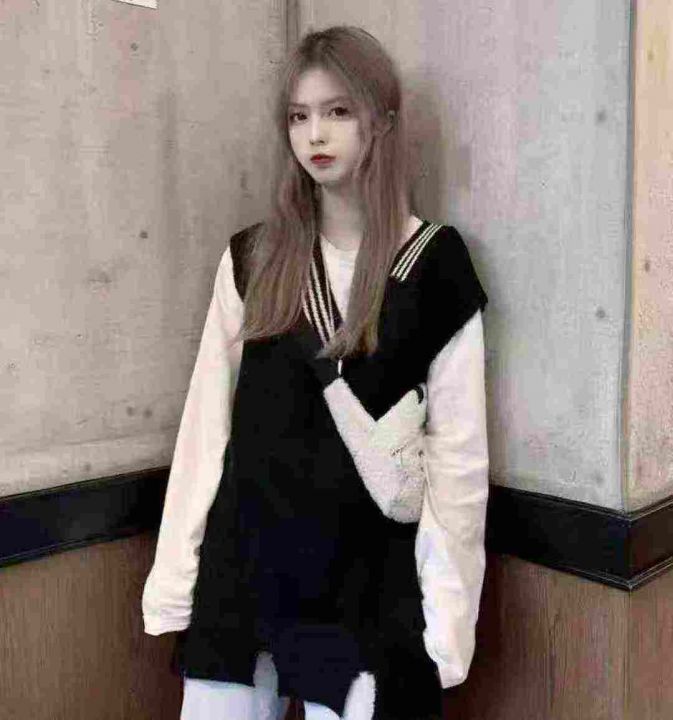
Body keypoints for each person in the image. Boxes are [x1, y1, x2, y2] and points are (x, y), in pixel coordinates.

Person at [142, 24, 489, 720]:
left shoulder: (432, 265)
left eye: (337, 111)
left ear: (380, 120)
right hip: (246, 567)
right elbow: (207, 428)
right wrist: (176, 584)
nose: (315, 135)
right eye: (299, 117)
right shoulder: (252, 260)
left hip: (366, 582)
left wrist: (447, 627)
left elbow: (457, 460)